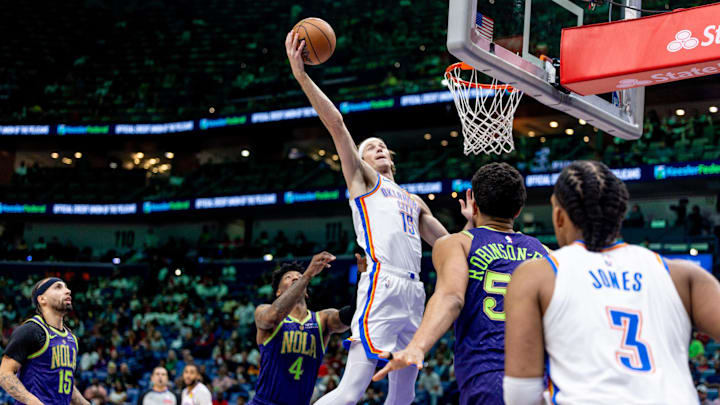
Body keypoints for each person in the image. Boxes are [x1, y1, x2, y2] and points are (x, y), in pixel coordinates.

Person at [286, 31, 470, 405]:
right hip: (381, 285)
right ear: (362, 160)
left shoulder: (413, 200)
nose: (379, 147)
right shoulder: (363, 181)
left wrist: (469, 224)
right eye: (370, 147)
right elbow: (337, 124)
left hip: (414, 292)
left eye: (382, 146)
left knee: (405, 392)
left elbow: (448, 245)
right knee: (352, 388)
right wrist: (302, 75)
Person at [503, 160, 720, 404]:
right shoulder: (684, 275)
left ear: (559, 216)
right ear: (621, 213)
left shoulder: (536, 275)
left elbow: (521, 395)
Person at [372, 163, 548, 404]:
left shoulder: (457, 244)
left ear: (473, 205)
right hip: (540, 379)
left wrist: (417, 346)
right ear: (518, 211)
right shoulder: (547, 253)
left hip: (488, 374)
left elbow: (451, 297)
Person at [249, 252, 363, 405]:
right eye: (288, 277)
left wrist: (362, 275)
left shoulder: (322, 319)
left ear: (306, 291)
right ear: (278, 292)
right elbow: (273, 316)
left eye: (299, 276)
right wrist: (307, 274)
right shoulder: (263, 310)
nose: (296, 277)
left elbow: (353, 316)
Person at [0, 277, 90, 405]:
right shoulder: (31, 330)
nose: (68, 291)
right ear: (42, 299)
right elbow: (4, 374)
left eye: (66, 287)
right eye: (58, 287)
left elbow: (65, 384)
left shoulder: (71, 338)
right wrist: (33, 402)